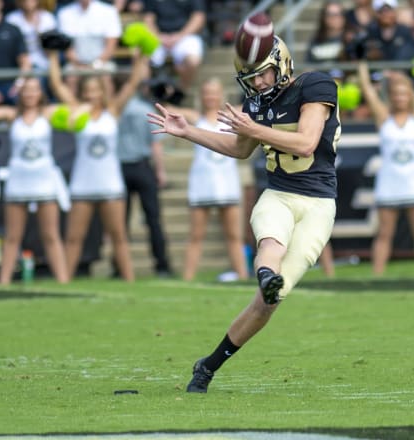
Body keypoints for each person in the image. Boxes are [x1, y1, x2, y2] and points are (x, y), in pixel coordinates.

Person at [149, 32, 340, 392]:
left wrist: (256, 128)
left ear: (282, 63)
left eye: (264, 74)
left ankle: (208, 364)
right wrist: (188, 130)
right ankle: (266, 274)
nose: (259, 82)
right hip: (280, 193)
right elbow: (239, 149)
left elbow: (306, 142)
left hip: (319, 204)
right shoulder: (255, 105)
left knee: (268, 306)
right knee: (271, 243)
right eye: (251, 78)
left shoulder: (315, 85)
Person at [47, 49, 150, 281]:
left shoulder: (112, 111)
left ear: (102, 92)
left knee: (119, 237)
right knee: (74, 237)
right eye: (87, 91)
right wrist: (53, 56)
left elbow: (132, 83)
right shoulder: (77, 110)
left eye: (96, 90)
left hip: (110, 184)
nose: (92, 94)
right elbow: (56, 85)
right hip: (83, 183)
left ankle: (129, 280)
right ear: (83, 93)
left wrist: (141, 56)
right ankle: (65, 281)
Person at [0, 76, 70, 285]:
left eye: (35, 90)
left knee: (51, 235)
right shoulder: (12, 115)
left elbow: (76, 108)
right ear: (20, 94)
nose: (30, 94)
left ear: (41, 93)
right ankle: (4, 282)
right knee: (13, 236)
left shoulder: (48, 114)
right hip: (19, 179)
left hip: (44, 180)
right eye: (26, 90)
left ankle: (63, 280)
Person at [357, 61, 414, 276]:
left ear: (411, 95)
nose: (400, 97)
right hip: (389, 183)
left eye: (404, 93)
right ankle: (376, 276)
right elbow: (367, 90)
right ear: (391, 95)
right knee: (384, 234)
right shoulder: (383, 117)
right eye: (396, 93)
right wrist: (362, 65)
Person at [165, 77, 249, 282]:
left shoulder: (232, 115)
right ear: (201, 96)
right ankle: (188, 278)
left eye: (214, 92)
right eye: (207, 93)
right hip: (202, 183)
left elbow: (257, 104)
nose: (211, 97)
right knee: (195, 236)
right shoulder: (195, 117)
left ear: (221, 95)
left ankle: (243, 276)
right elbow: (168, 110)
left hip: (227, 183)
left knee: (234, 236)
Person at [116, 82, 172, 278]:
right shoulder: (145, 109)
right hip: (141, 166)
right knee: (153, 219)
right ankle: (162, 265)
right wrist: (160, 171)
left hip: (119, 167)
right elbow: (156, 144)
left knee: (119, 222)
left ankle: (118, 267)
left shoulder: (116, 109)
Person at [143, 0, 206, 91]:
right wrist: (158, 37)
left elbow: (198, 17)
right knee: (141, 58)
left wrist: (179, 36)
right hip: (158, 37)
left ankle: (180, 92)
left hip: (185, 37)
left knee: (193, 61)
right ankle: (146, 94)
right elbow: (148, 19)